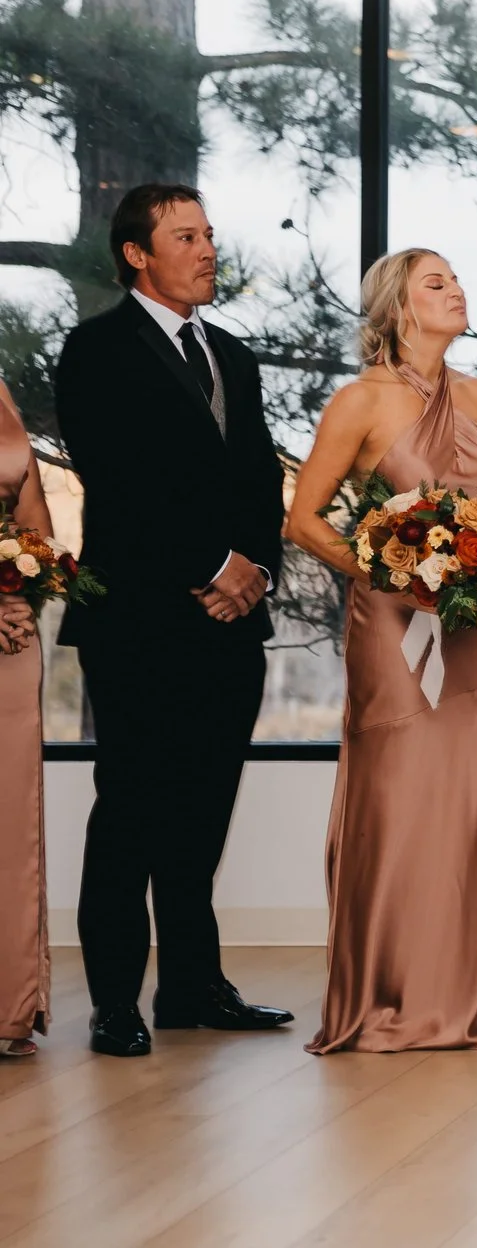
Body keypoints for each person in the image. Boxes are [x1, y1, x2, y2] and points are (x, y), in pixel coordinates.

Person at [57, 183, 292, 1059]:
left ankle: (193, 986)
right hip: (140, 623)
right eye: (186, 236)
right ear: (137, 254)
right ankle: (117, 1000)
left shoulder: (232, 352)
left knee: (203, 812)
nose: (207, 249)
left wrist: (256, 570)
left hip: (233, 624)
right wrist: (209, 566)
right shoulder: (94, 350)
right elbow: (119, 483)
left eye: (210, 235)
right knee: (130, 811)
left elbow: (260, 479)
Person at [286, 250, 477, 1054]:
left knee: (459, 797)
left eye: (459, 279)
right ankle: (389, 994)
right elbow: (306, 520)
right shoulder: (360, 402)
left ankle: (462, 995)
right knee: (397, 796)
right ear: (395, 307)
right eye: (437, 282)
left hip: (467, 625)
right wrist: (391, 567)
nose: (457, 290)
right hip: (392, 630)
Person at [0, 381, 53, 1058]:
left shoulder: (2, 394)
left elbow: (36, 527)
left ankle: (8, 1005)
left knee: (9, 814)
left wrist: (23, 584)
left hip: (9, 637)